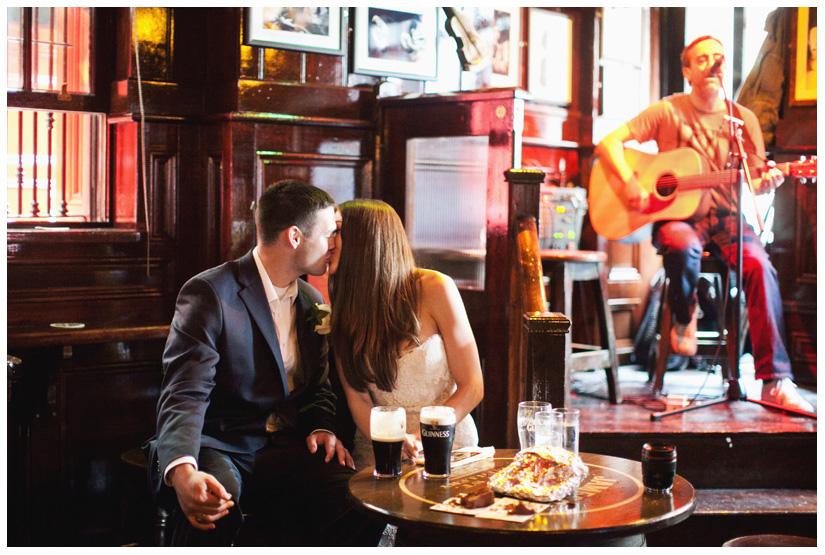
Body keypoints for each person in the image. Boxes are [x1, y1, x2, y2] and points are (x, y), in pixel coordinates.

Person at [143, 180, 385, 546]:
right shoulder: (210, 293)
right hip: (218, 442)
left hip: (282, 448)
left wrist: (322, 427)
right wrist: (182, 469)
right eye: (328, 234)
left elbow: (317, 388)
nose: (334, 245)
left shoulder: (309, 299)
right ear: (294, 237)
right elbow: (184, 393)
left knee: (363, 503)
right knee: (215, 502)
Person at [595, 36, 814, 413]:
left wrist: (773, 180)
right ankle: (685, 316)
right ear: (687, 71)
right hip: (678, 217)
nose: (712, 64)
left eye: (718, 58)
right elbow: (609, 143)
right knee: (680, 244)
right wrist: (631, 184)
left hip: (727, 218)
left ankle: (774, 382)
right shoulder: (668, 111)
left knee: (761, 267)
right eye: (702, 59)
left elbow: (755, 180)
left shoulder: (741, 119)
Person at [328, 199, 484, 470]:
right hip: (380, 447)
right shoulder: (345, 307)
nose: (328, 241)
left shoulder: (436, 288)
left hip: (447, 441)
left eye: (336, 231)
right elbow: (359, 399)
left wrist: (427, 433)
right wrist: (392, 440)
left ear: (365, 240)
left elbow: (472, 386)